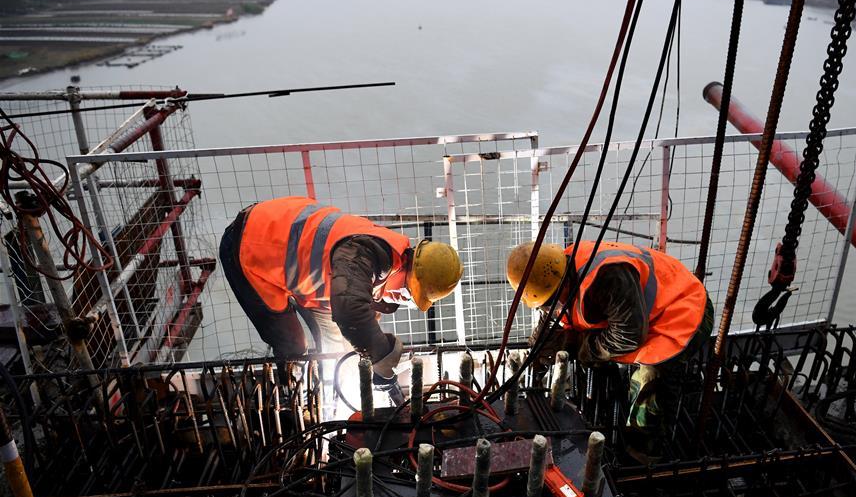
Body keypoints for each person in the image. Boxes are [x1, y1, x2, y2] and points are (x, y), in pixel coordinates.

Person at [219, 196, 463, 395]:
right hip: (251, 244)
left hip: (303, 266)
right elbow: (350, 311)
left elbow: (359, 311)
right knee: (292, 344)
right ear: (407, 269)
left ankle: (328, 391)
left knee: (337, 344)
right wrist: (381, 357)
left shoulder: (388, 258)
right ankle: (289, 394)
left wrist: (373, 358)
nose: (404, 299)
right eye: (409, 293)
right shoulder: (365, 252)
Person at [506, 240, 714, 463]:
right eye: (544, 305)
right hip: (637, 314)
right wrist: (536, 359)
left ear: (561, 282)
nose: (549, 309)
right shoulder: (554, 271)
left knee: (650, 377)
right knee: (571, 341)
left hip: (682, 314)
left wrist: (588, 352)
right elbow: (547, 325)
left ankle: (643, 454)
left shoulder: (608, 276)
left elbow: (628, 336)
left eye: (550, 303)